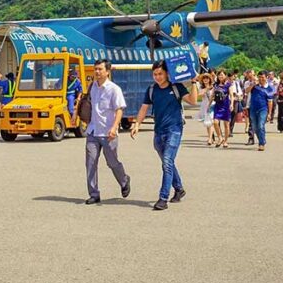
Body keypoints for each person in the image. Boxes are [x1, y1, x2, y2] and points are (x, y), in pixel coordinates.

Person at [132, 59, 198, 211]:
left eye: (160, 74)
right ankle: (179, 188)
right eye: (155, 74)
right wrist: (137, 124)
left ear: (167, 73)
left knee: (167, 161)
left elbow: (193, 101)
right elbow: (144, 108)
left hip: (174, 130)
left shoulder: (177, 87)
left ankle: (163, 198)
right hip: (158, 131)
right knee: (168, 163)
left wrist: (194, 83)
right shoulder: (151, 90)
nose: (157, 77)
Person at [84, 59, 130, 205]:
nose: (97, 72)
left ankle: (124, 180)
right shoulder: (93, 87)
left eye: (100, 69)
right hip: (93, 131)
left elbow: (119, 109)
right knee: (90, 163)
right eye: (95, 69)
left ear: (107, 71)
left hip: (108, 132)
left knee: (112, 162)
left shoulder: (114, 89)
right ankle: (94, 193)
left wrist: (114, 127)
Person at [244, 69, 275, 151]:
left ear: (267, 77)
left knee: (261, 125)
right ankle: (262, 139)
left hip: (263, 109)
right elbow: (246, 91)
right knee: (255, 127)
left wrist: (269, 113)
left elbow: (270, 102)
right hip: (253, 108)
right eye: (259, 77)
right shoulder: (255, 86)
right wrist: (253, 85)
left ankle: (261, 143)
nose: (261, 79)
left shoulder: (270, 88)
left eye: (263, 77)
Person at [211, 69, 232, 148]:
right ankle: (220, 137)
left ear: (225, 76)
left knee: (226, 125)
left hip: (226, 105)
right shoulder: (215, 85)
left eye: (222, 75)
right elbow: (212, 95)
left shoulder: (228, 85)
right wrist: (209, 105)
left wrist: (232, 104)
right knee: (215, 122)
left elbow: (231, 95)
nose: (221, 76)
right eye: (219, 75)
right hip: (218, 105)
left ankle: (225, 141)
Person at [197, 72, 216, 145]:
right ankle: (210, 137)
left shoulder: (213, 87)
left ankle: (210, 139)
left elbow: (214, 96)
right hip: (205, 105)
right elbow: (200, 95)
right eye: (204, 78)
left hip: (213, 105)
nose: (205, 79)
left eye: (207, 78)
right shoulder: (201, 87)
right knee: (207, 123)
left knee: (211, 122)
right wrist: (207, 88)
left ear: (209, 79)